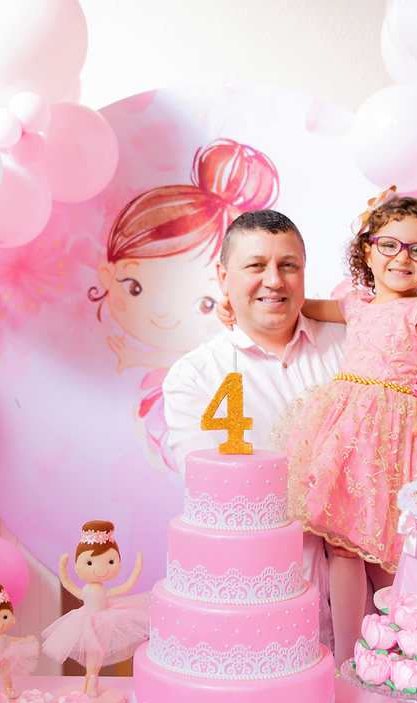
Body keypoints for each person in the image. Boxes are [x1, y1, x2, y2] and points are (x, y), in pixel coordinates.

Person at [273, 194, 417, 670]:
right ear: (367, 252)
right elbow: (300, 307)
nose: (401, 258)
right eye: (389, 245)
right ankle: (349, 659)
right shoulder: (356, 304)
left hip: (394, 441)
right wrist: (242, 305)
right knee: (342, 544)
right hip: (350, 436)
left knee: (393, 547)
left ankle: (402, 651)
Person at [162, 208, 347, 651]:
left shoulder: (352, 346)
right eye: (256, 265)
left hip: (370, 600)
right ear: (223, 277)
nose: (274, 280)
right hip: (263, 606)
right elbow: (216, 495)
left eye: (288, 265)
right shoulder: (196, 377)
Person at [91, 139, 280, 471]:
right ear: (107, 274)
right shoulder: (191, 372)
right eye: (135, 287)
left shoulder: (235, 358)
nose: (163, 315)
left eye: (205, 302)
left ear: (225, 283)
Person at [41, 521, 149, 703]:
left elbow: (126, 587)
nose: (100, 569)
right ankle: (91, 680)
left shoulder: (104, 591)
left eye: (110, 562)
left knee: (98, 650)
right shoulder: (85, 590)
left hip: (107, 619)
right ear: (79, 565)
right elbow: (67, 583)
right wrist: (63, 567)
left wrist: (137, 568)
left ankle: (92, 680)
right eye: (89, 563)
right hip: (85, 621)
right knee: (92, 651)